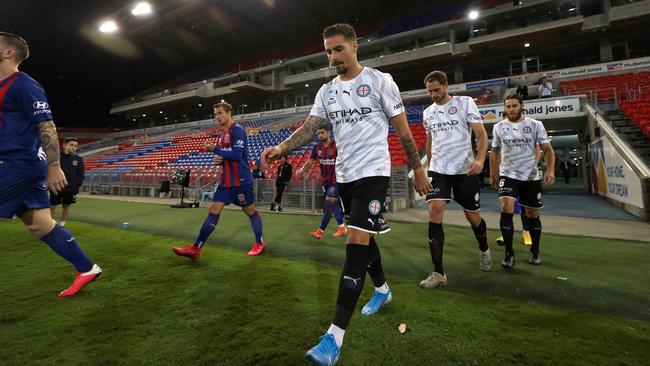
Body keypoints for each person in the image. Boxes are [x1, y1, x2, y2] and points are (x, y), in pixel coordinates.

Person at [262, 23, 431, 366]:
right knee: (364, 238)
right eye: (328, 51)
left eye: (338, 49)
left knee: (355, 245)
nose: (333, 57)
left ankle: (333, 338)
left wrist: (418, 168)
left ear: (355, 45)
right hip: (345, 177)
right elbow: (310, 128)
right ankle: (382, 290)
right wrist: (282, 146)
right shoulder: (326, 92)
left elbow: (403, 132)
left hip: (374, 175)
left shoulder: (380, 81)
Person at [0, 32, 101, 297]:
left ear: (9, 52)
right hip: (15, 164)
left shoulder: (23, 84)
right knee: (39, 224)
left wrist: (54, 166)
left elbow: (46, 125)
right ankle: (86, 267)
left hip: (19, 164)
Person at [419, 70, 492, 289]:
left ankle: (484, 249)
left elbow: (480, 134)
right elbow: (430, 141)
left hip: (464, 171)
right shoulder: (428, 113)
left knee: (473, 217)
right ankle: (438, 272)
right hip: (439, 170)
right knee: (434, 211)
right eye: (430, 91)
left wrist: (480, 159)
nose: (433, 94)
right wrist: (428, 166)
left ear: (446, 85)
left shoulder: (465, 103)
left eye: (436, 90)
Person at [172, 102, 265, 259]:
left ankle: (259, 243)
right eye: (215, 114)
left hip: (241, 181)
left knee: (250, 211)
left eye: (220, 113)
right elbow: (228, 156)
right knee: (213, 210)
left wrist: (214, 149)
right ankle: (196, 249)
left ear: (229, 112)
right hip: (225, 182)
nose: (217, 117)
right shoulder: (223, 134)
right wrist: (220, 160)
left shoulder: (237, 130)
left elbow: (236, 155)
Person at [490, 94, 555, 268]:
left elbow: (548, 150)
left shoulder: (535, 125)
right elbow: (495, 151)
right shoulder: (498, 127)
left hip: (530, 177)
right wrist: (493, 173)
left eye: (514, 106)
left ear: (521, 106)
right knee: (506, 208)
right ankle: (509, 254)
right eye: (508, 107)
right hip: (508, 175)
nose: (511, 109)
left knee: (532, 215)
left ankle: (535, 251)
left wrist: (550, 170)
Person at [296, 125, 347, 239]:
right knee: (334, 205)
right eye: (318, 133)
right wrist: (302, 169)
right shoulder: (316, 147)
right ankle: (342, 227)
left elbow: (344, 161)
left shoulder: (336, 146)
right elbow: (310, 161)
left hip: (336, 179)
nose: (320, 135)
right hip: (325, 181)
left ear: (329, 133)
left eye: (322, 133)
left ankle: (321, 231)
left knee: (329, 203)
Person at [50, 137, 84, 227]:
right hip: (57, 186)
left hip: (70, 188)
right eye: (71, 145)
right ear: (64, 145)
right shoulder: (57, 157)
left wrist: (76, 187)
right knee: (52, 206)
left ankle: (62, 225)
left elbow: (80, 174)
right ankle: (49, 225)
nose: (74, 147)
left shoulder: (78, 159)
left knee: (66, 206)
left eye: (76, 146)